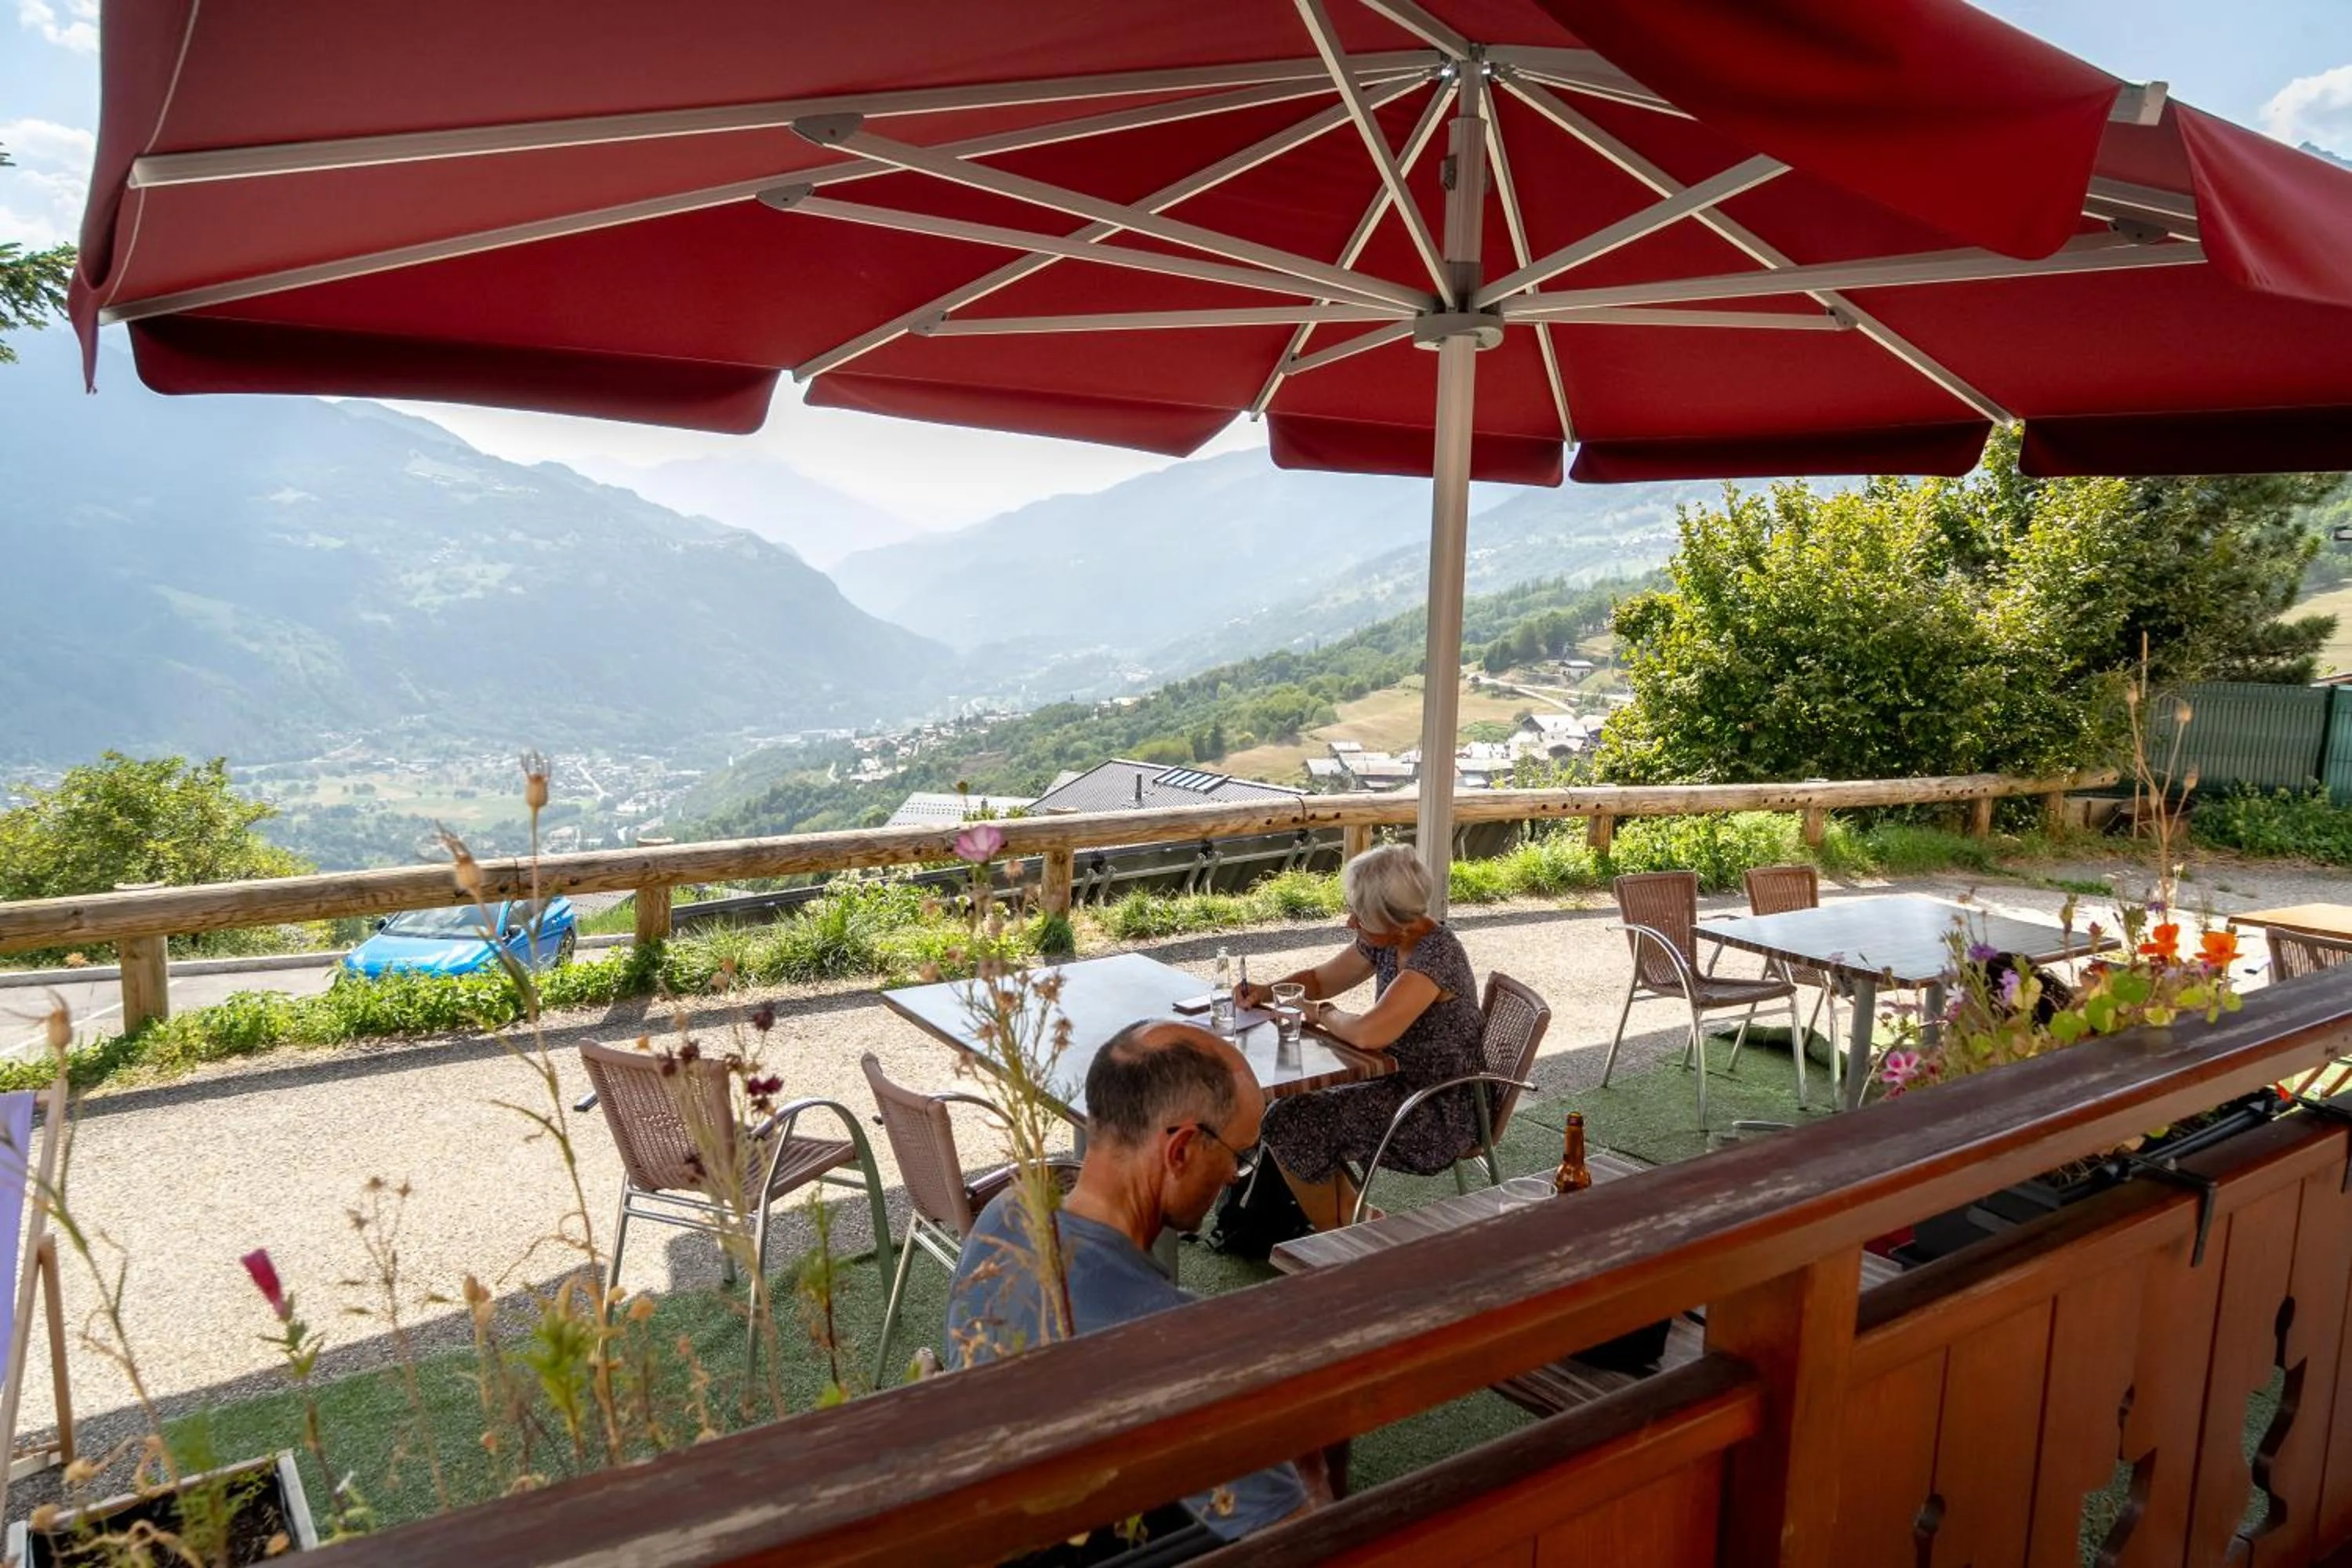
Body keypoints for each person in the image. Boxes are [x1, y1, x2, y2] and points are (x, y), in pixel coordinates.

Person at [945, 1020, 1327, 1542]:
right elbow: (1302, 1541)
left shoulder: (1005, 1216)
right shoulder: (1169, 1339)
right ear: (1181, 1151)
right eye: (1238, 1159)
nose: (1232, 1179)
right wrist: (1309, 1455)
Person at [1236, 844, 1486, 1230]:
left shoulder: (1434, 959)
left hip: (1436, 1109)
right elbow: (1321, 979)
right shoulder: (1390, 940)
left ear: (1395, 922)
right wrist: (1267, 991)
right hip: (1398, 1083)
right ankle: (1355, 1227)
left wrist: (1322, 1013)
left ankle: (1339, 1241)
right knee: (1290, 1112)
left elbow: (1369, 1033)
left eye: (1359, 915)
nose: (1349, 923)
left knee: (1290, 1121)